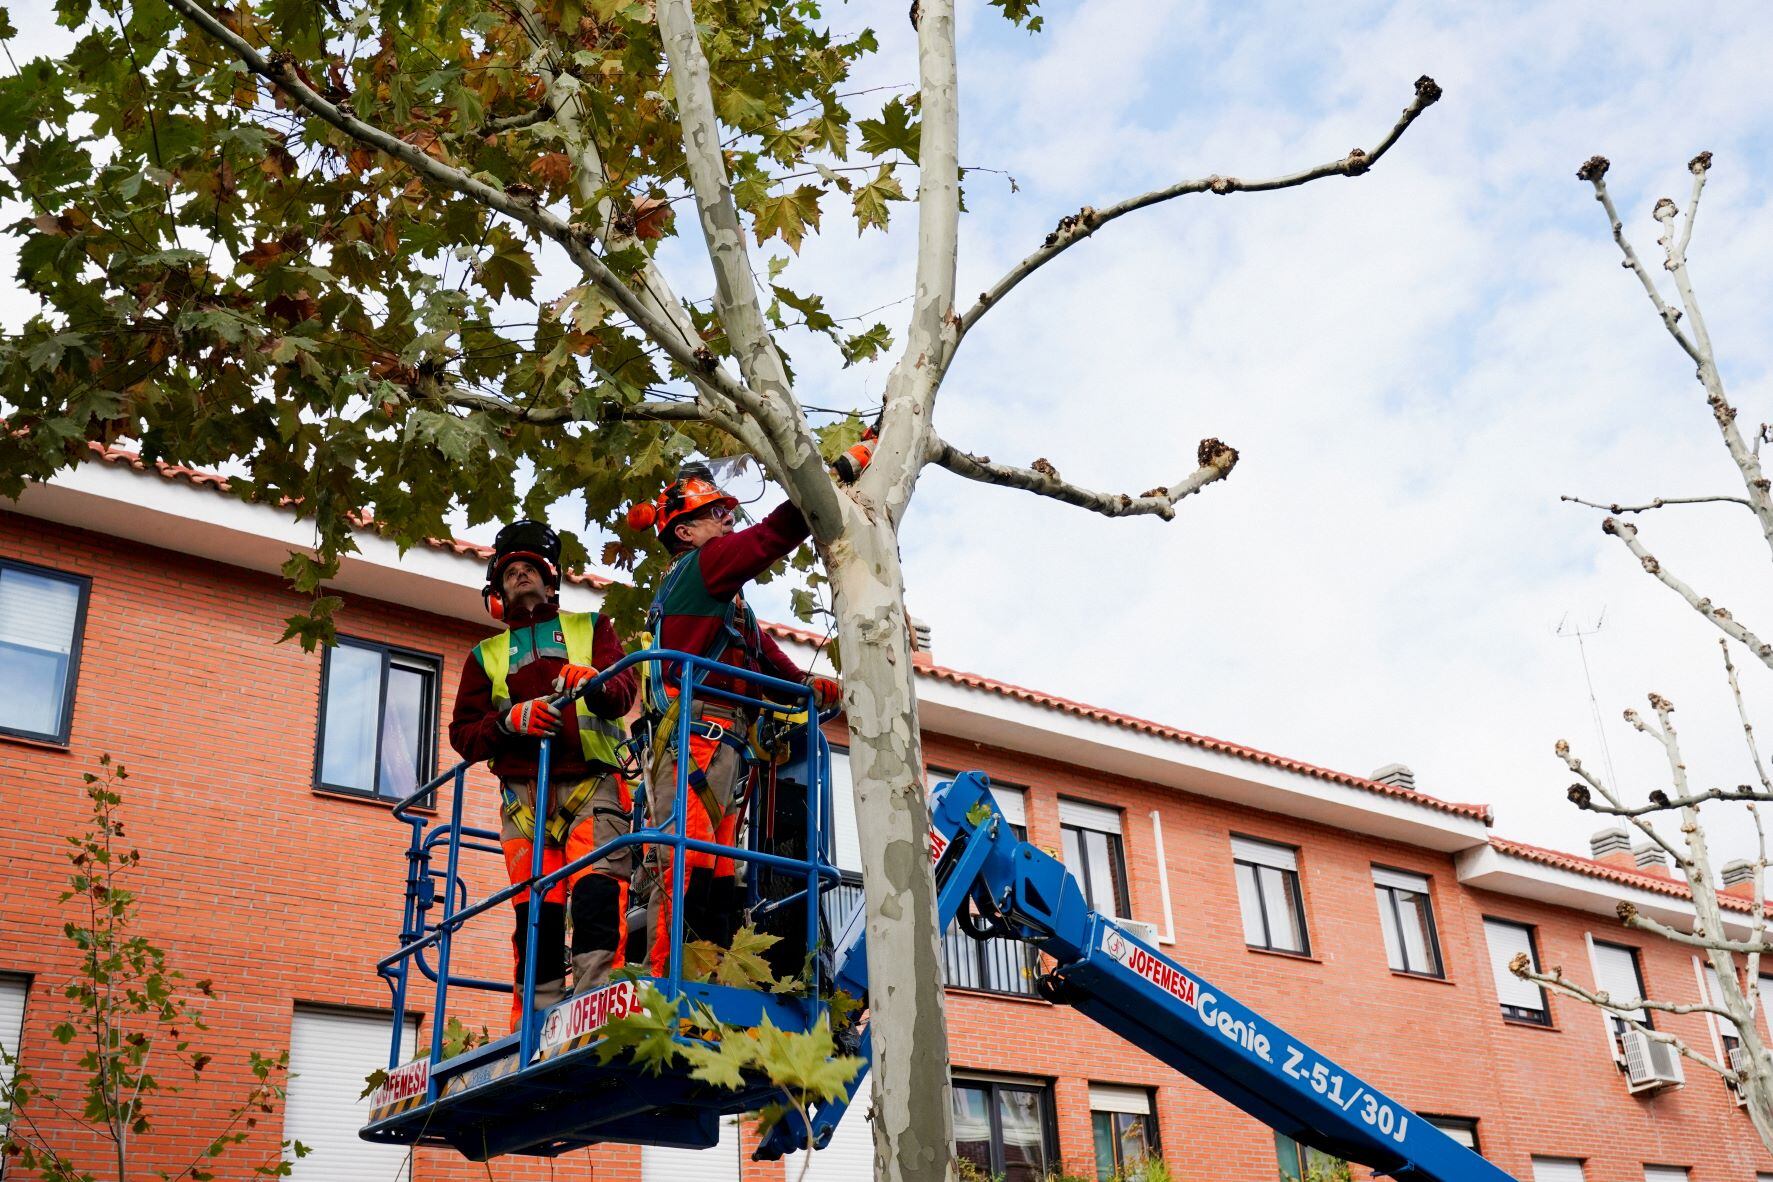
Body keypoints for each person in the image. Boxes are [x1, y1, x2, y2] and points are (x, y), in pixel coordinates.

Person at [625, 465, 841, 974]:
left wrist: (807, 687)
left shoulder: (727, 602)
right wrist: (820, 484)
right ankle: (667, 980)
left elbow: (766, 659)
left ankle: (710, 974)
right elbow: (768, 537)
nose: (728, 521)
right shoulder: (704, 567)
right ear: (684, 532)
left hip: (721, 744)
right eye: (716, 514)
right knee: (686, 862)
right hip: (697, 738)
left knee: (718, 871)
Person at [448, 520, 638, 1028]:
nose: (521, 574)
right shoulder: (483, 657)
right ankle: (535, 1018)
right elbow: (463, 734)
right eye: (511, 571)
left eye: (531, 568)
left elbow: (622, 693)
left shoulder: (590, 627)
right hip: (522, 801)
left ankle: (597, 1005)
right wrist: (511, 721)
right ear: (496, 593)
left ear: (552, 584)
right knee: (536, 915)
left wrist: (593, 683)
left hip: (591, 785)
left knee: (598, 895)